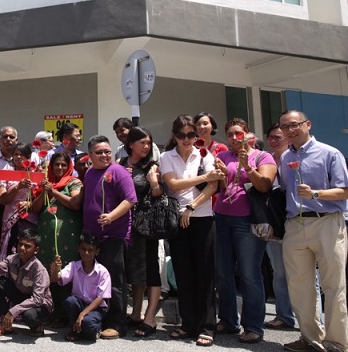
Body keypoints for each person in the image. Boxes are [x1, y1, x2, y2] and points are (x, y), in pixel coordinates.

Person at [277, 110, 348, 352]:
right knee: (299, 286)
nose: (289, 130)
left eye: (294, 125)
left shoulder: (330, 153)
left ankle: (337, 343)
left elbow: (345, 190)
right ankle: (311, 339)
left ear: (308, 124)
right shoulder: (285, 157)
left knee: (333, 285)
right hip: (295, 224)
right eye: (285, 127)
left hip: (326, 221)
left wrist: (317, 194)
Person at [212, 118, 277, 344]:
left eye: (238, 134)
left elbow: (264, 185)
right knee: (223, 272)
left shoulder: (262, 156)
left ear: (247, 134)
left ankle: (253, 326)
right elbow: (219, 186)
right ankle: (229, 320)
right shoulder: (222, 156)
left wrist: (248, 167)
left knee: (249, 274)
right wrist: (218, 175)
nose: (233, 138)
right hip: (221, 218)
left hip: (247, 221)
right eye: (230, 135)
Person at [160, 115, 223, 347]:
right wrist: (205, 177)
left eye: (191, 135)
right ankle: (187, 324)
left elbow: (213, 186)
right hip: (177, 220)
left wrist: (191, 207)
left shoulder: (205, 155)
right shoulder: (167, 156)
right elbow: (173, 184)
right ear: (174, 136)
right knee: (183, 272)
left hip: (202, 218)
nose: (187, 139)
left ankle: (207, 326)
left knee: (205, 274)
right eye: (182, 135)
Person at [81, 135, 137, 339]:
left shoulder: (118, 171)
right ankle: (98, 319)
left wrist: (111, 217)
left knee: (114, 281)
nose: (104, 155)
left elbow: (130, 200)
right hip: (93, 237)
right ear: (90, 155)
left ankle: (118, 323)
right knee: (97, 280)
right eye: (99, 152)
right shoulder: (89, 173)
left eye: (107, 151)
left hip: (114, 234)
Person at [117, 126, 162, 337]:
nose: (146, 146)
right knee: (129, 269)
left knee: (145, 269)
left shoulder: (152, 167)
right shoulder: (119, 164)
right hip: (122, 224)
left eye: (148, 143)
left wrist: (154, 184)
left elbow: (158, 194)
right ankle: (130, 313)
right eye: (142, 142)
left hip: (144, 225)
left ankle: (143, 315)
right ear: (131, 144)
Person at [31, 150, 82, 323]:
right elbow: (36, 208)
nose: (60, 167)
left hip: (67, 237)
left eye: (63, 165)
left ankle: (65, 313)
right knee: (48, 272)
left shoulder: (74, 183)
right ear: (51, 167)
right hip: (46, 238)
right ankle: (49, 312)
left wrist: (54, 192)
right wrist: (45, 191)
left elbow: (75, 204)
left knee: (64, 272)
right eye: (56, 165)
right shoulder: (46, 183)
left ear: (69, 167)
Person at [0, 228, 53, 337]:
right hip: (21, 296)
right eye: (20, 244)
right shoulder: (11, 259)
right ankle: (5, 324)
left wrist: (13, 311)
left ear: (36, 250)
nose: (22, 248)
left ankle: (37, 325)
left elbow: (37, 299)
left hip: (39, 304)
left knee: (29, 315)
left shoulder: (39, 270)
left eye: (27, 246)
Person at [263, 123, 296, 330]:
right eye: (271, 137)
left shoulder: (294, 158)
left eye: (278, 137)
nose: (274, 141)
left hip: (294, 219)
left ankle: (313, 320)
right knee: (279, 272)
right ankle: (284, 315)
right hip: (273, 222)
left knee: (306, 272)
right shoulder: (265, 159)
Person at [49, 233, 111, 342]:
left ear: (97, 251)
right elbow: (56, 279)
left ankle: (96, 327)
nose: (86, 253)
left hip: (96, 308)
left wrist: (82, 314)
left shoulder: (103, 272)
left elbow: (101, 298)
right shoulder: (74, 266)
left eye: (90, 250)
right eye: (83, 249)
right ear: (78, 249)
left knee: (89, 324)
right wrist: (55, 269)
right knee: (70, 301)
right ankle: (76, 329)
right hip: (79, 304)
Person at [0, 143, 36, 262]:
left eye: (22, 155)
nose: (19, 157)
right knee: (10, 249)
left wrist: (30, 204)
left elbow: (42, 198)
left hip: (30, 219)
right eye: (16, 154)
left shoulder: (36, 174)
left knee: (28, 248)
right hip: (10, 219)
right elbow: (3, 199)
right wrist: (17, 187)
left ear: (28, 157)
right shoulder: (6, 174)